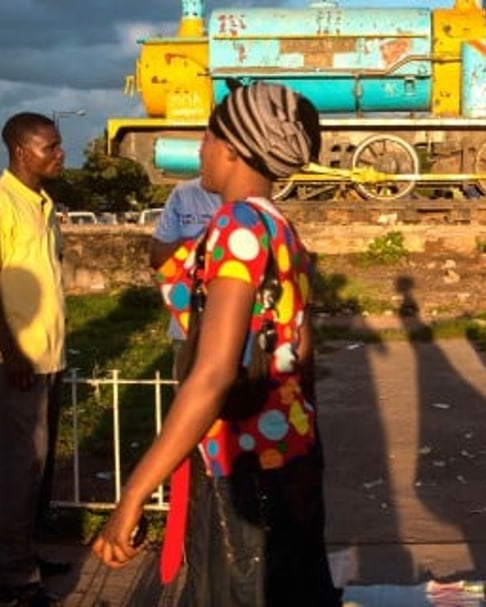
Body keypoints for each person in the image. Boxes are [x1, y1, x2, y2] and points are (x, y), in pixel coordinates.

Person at [92, 83, 341, 606]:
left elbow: (214, 373)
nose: (200, 150)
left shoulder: (236, 225)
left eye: (206, 136)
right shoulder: (280, 227)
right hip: (290, 458)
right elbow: (303, 354)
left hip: (243, 473)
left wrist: (133, 495)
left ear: (231, 147)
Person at [0, 112, 69, 607]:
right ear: (22, 151)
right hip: (13, 357)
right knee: (20, 466)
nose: (60, 154)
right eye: (51, 147)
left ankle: (30, 553)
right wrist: (10, 352)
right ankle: (13, 577)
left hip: (47, 354)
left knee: (40, 466)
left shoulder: (42, 204)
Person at [149, 176, 223, 370]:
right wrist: (198, 245)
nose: (200, 150)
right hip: (187, 328)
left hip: (239, 333)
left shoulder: (252, 201)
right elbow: (158, 257)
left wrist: (189, 252)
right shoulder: (186, 193)